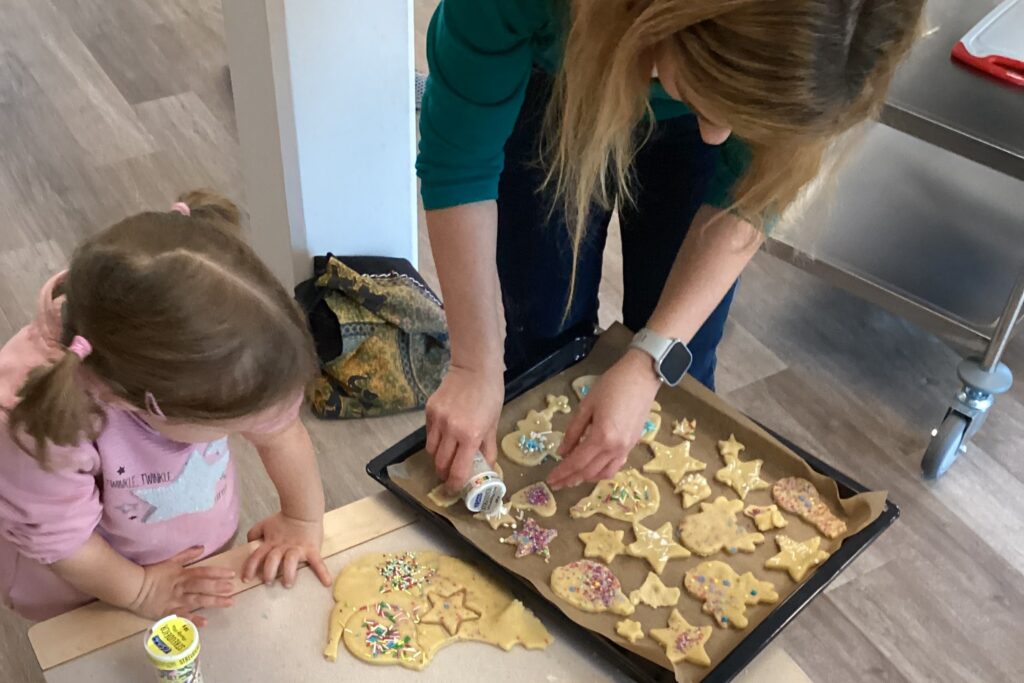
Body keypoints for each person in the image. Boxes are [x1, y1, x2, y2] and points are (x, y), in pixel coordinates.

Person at [417, 0, 924, 491]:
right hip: (552, 72)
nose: (716, 136)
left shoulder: (841, 43)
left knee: (682, 370)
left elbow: (746, 197)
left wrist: (651, 358)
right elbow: (461, 164)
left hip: (683, 57)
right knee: (543, 322)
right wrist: (474, 364)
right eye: (713, 102)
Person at [0, 192, 331, 624]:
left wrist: (302, 519)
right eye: (228, 425)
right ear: (133, 401)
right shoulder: (32, 419)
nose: (265, 425)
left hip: (181, 550)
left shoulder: (183, 364)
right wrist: (139, 591)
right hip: (87, 589)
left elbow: (282, 433)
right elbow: (62, 541)